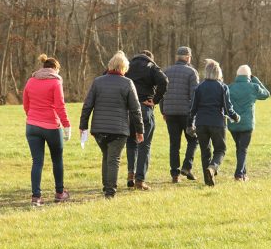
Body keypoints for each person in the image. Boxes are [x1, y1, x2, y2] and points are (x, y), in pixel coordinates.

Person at [79, 51, 144, 198]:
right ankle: (110, 191)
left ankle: (106, 186)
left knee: (107, 156)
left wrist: (83, 125)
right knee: (113, 159)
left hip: (99, 129)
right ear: (124, 68)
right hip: (119, 130)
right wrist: (140, 130)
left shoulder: (97, 82)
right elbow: (135, 110)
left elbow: (87, 105)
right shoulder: (128, 83)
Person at [23, 54, 71, 206]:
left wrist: (32, 117)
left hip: (32, 126)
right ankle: (59, 193)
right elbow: (60, 106)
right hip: (51, 126)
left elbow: (26, 103)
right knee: (57, 159)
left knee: (37, 162)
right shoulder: (56, 82)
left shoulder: (31, 81)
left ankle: (36, 197)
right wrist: (67, 125)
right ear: (55, 69)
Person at [188, 59, 240, 186]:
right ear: (218, 73)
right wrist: (235, 117)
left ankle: (208, 181)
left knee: (205, 151)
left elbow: (193, 108)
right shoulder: (223, 87)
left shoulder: (199, 87)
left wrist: (190, 124)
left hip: (201, 123)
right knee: (220, 150)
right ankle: (212, 168)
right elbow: (228, 108)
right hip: (217, 123)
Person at [125, 50, 168, 190]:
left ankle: (130, 173)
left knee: (130, 142)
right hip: (144, 107)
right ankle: (140, 180)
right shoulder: (151, 66)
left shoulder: (127, 65)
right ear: (151, 58)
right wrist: (155, 100)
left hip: (127, 110)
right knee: (145, 145)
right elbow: (164, 81)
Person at [161, 46, 199, 183]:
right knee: (194, 140)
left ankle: (175, 174)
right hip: (186, 113)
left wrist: (163, 110)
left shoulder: (166, 71)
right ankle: (187, 167)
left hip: (170, 113)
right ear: (188, 57)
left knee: (174, 144)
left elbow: (161, 93)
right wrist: (194, 113)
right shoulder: (192, 72)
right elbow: (194, 94)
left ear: (177, 57)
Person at [228, 65, 270, 181]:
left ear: (237, 75)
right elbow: (266, 94)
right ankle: (239, 174)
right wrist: (255, 79)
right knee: (243, 149)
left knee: (239, 148)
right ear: (249, 76)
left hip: (233, 124)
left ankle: (244, 174)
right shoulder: (254, 87)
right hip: (247, 124)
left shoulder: (230, 87)